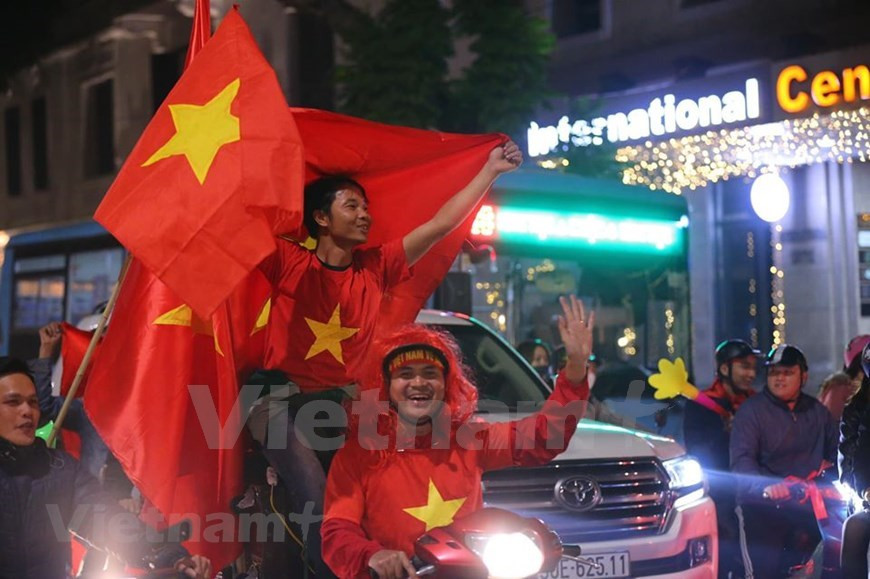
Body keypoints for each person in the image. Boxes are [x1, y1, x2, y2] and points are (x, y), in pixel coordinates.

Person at [246, 140, 523, 575]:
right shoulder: (288, 261)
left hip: (346, 404)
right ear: (321, 218)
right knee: (322, 504)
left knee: (373, 499)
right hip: (279, 403)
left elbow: (440, 224)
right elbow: (237, 222)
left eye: (366, 206)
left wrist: (490, 171)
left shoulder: (376, 267)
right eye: (351, 205)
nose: (364, 215)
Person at [320, 295, 593, 579]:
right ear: (385, 387)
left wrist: (575, 367)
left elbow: (543, 437)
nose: (418, 382)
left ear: (446, 385)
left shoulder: (468, 440)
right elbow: (337, 531)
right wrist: (372, 555)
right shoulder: (358, 454)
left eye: (430, 373)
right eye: (405, 374)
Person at [0, 356, 211, 578]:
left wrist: (170, 555)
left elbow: (109, 522)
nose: (27, 411)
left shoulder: (60, 471)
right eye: (13, 402)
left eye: (33, 402)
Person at [731, 344, 838, 578]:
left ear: (804, 376)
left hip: (809, 504)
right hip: (763, 507)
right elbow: (742, 459)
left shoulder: (817, 411)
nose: (779, 378)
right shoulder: (752, 411)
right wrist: (765, 486)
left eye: (787, 372)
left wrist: (830, 472)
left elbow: (836, 452)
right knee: (765, 570)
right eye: (773, 373)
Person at [683, 339, 759, 578]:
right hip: (719, 495)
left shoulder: (755, 402)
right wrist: (726, 432)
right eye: (744, 367)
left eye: (753, 367)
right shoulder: (702, 405)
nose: (751, 374)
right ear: (725, 369)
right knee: (728, 557)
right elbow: (699, 451)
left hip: (753, 491)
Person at [28, 322, 110, 480]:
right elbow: (45, 405)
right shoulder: (88, 410)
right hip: (93, 498)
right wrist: (46, 351)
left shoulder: (149, 404)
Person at [839, 342, 870, 578]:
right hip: (866, 497)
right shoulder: (860, 411)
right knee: (854, 527)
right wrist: (865, 490)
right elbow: (857, 453)